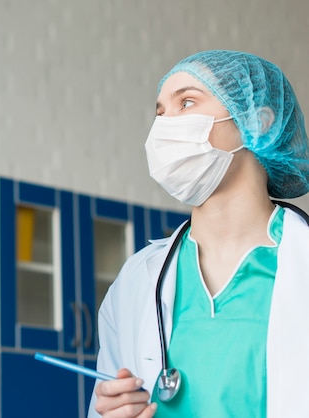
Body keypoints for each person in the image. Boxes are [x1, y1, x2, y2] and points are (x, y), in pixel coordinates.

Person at [88, 50, 309, 417]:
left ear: (259, 122)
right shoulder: (135, 282)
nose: (165, 125)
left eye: (186, 102)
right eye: (159, 112)